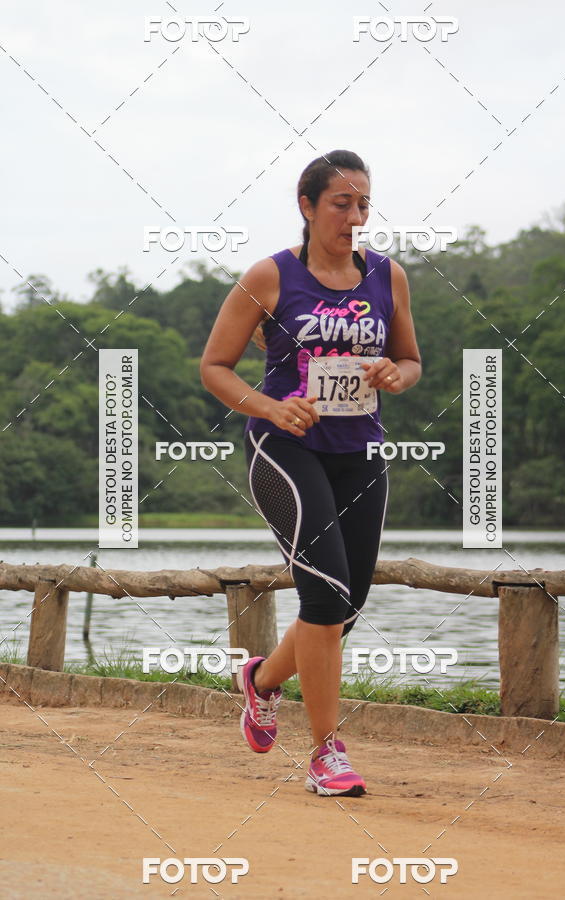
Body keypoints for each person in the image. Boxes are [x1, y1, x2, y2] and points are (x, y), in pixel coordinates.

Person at [200, 149, 421, 797]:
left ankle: (262, 681)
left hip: (360, 451)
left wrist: (393, 375)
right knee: (323, 597)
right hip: (285, 449)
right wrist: (273, 406)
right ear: (307, 207)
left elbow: (409, 361)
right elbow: (215, 366)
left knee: (344, 607)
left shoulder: (388, 277)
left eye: (363, 205)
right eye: (340, 204)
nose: (354, 217)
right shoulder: (270, 278)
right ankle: (327, 752)